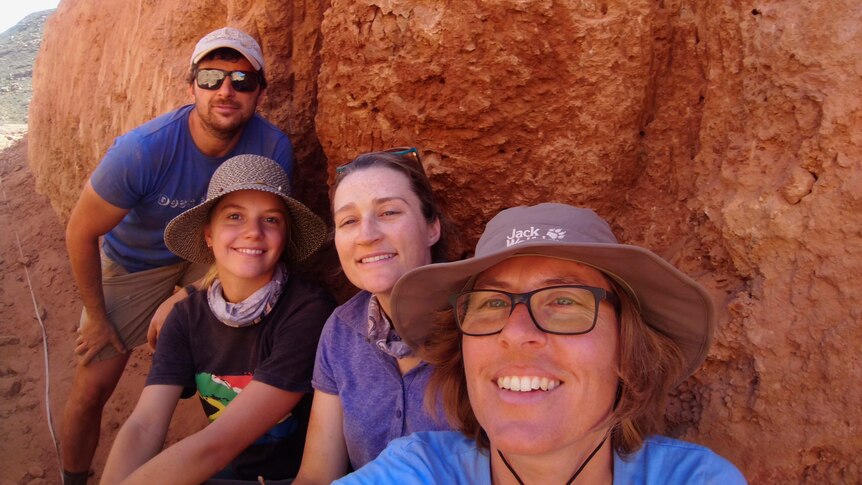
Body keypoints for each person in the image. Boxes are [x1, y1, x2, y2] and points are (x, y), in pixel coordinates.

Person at [336, 203, 747, 484]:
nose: (515, 333)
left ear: (628, 350)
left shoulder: (694, 478)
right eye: (492, 303)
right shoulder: (419, 469)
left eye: (565, 302)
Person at [61, 27, 294, 484]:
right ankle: (72, 477)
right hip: (135, 261)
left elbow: (263, 235)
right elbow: (80, 233)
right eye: (211, 77)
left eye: (242, 81)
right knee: (92, 388)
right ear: (192, 87)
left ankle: (230, 428)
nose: (226, 91)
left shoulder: (271, 147)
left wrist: (185, 295)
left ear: (260, 94)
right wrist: (96, 313)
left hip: (211, 254)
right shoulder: (142, 151)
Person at [101, 155, 334, 483]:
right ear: (208, 234)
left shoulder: (307, 312)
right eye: (235, 216)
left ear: (285, 237)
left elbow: (219, 443)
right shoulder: (185, 317)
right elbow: (144, 425)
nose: (252, 232)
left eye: (271, 220)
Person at [292, 148, 453, 484]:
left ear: (432, 227)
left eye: (389, 212)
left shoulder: (482, 329)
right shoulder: (340, 331)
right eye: (349, 221)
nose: (367, 235)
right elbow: (318, 473)